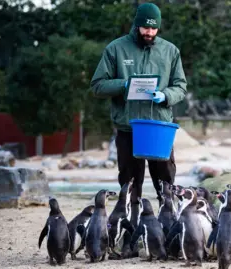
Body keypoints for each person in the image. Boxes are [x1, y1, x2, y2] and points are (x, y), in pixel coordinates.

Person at [90, 2, 187, 259]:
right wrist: (124, 85)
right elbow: (98, 85)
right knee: (130, 186)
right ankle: (129, 240)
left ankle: (171, 239)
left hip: (159, 128)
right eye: (145, 27)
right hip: (128, 128)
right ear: (137, 24)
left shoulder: (170, 51)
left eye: (154, 29)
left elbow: (181, 86)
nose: (149, 33)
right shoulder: (116, 49)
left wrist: (164, 95)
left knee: (165, 185)